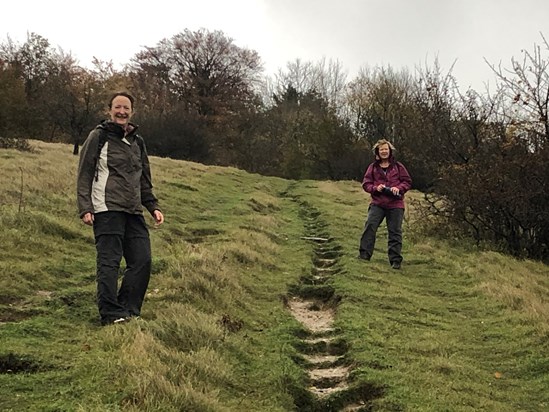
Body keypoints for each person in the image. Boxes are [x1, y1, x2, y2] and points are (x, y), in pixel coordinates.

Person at [77, 92, 164, 325]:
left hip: (133, 210)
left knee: (142, 260)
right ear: (110, 110)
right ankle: (110, 313)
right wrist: (85, 207)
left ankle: (128, 309)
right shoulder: (99, 136)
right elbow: (84, 172)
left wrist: (152, 206)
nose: (122, 112)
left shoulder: (138, 142)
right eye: (118, 107)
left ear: (132, 112)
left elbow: (143, 178)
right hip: (106, 209)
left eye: (126, 108)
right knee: (110, 262)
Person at [358, 139, 412, 269]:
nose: (384, 151)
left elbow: (407, 182)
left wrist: (398, 188)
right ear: (377, 152)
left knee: (395, 232)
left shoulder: (399, 166)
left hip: (396, 204)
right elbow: (366, 184)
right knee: (370, 226)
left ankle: (395, 261)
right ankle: (364, 255)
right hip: (378, 203)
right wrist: (376, 188)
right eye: (381, 149)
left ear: (390, 151)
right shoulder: (372, 167)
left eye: (386, 149)